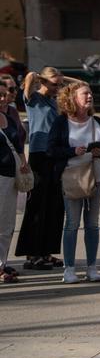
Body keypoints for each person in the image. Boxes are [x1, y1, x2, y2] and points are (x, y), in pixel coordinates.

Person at [16, 67, 80, 270]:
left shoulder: (56, 102)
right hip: (39, 155)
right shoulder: (33, 99)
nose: (58, 87)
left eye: (60, 84)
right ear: (43, 81)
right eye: (55, 84)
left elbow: (82, 85)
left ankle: (47, 251)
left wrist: (60, 79)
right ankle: (32, 254)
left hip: (57, 154)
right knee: (37, 206)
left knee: (54, 207)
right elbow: (29, 77)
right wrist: (45, 78)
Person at [48, 82, 100, 284]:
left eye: (91, 93)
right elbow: (51, 149)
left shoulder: (97, 121)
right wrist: (71, 151)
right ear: (72, 98)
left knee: (92, 224)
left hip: (97, 176)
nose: (89, 96)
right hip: (71, 176)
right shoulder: (61, 122)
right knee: (72, 224)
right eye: (85, 93)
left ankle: (92, 268)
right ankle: (69, 269)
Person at [0, 80, 27, 284]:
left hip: (10, 177)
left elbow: (18, 145)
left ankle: (1, 265)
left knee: (7, 225)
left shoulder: (8, 117)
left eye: (5, 94)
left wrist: (23, 162)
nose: (3, 98)